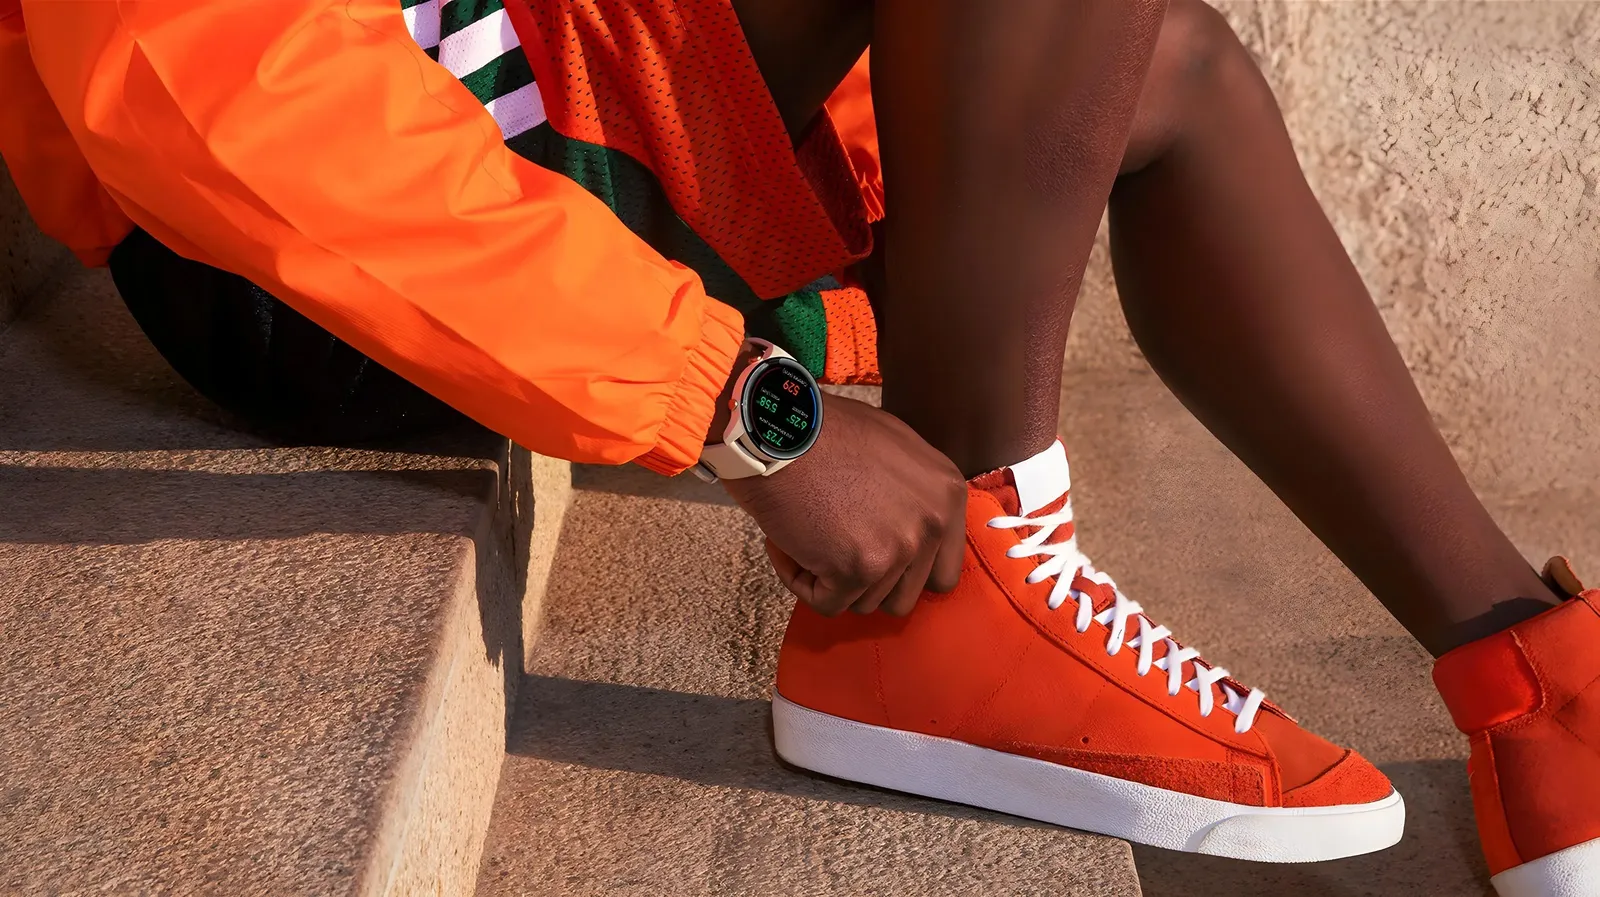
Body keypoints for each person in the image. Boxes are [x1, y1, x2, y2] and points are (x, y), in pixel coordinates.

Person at [3, 0, 1595, 891]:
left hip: (558, 84)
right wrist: (737, 402)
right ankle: (963, 598)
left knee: (1156, 57)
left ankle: (1528, 677)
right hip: (301, 260)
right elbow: (204, 90)